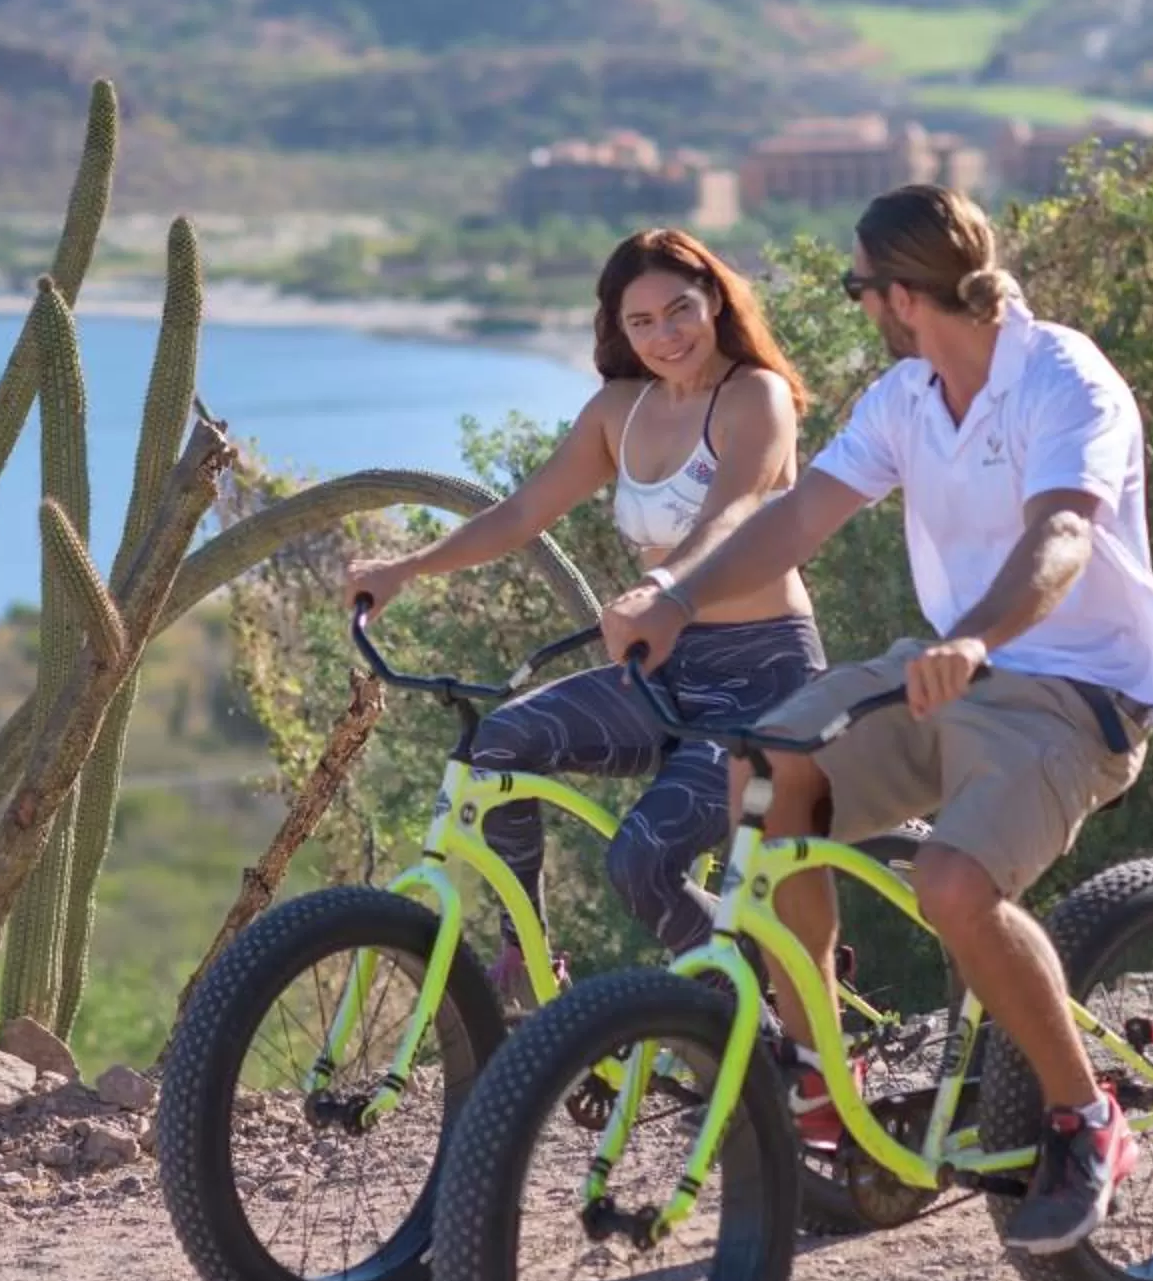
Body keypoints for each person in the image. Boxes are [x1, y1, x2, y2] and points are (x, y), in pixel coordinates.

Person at [606, 184, 1153, 1257]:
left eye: (859, 288)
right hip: (944, 672)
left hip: (1075, 688)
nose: (861, 305)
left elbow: (1063, 535)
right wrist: (678, 600)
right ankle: (822, 1076)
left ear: (903, 294)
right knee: (767, 768)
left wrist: (974, 637)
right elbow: (799, 516)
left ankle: (1085, 1117)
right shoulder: (907, 396)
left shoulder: (1064, 379)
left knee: (952, 886)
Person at [345, 227, 827, 1011]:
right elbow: (521, 514)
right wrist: (407, 567)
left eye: (680, 310)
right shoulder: (619, 412)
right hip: (661, 668)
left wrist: (662, 586)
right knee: (500, 743)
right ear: (619, 330)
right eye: (642, 322)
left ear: (714, 300)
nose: (665, 335)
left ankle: (756, 1023)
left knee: (641, 863)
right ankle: (527, 956)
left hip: (762, 676)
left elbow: (734, 512)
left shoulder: (756, 396)